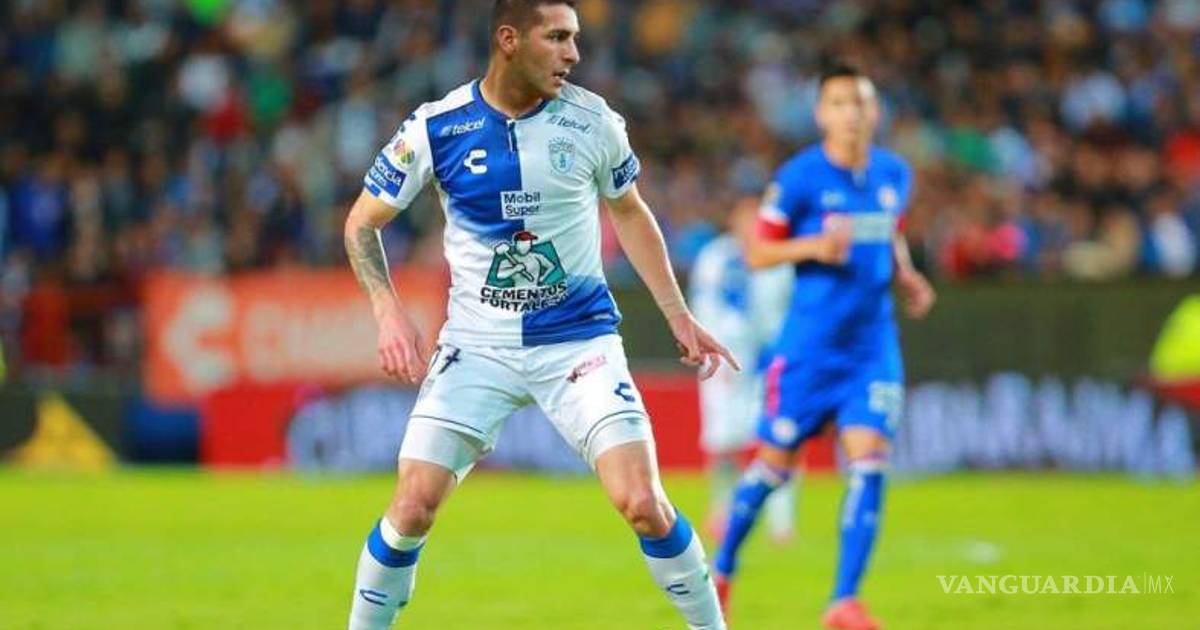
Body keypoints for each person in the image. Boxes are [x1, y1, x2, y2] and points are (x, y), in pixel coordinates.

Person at [342, 2, 736, 628]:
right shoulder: (436, 127)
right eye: (556, 38)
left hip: (580, 343)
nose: (573, 54)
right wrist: (387, 311)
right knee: (413, 505)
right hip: (478, 347)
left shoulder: (592, 121)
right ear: (509, 40)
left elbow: (629, 210)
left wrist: (677, 314)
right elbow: (362, 224)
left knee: (643, 502)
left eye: (573, 38)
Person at [712, 63, 936, 630]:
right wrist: (812, 246)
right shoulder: (799, 178)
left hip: (871, 347)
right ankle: (722, 569)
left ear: (875, 112)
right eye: (839, 103)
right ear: (821, 115)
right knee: (773, 467)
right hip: (809, 350)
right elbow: (758, 253)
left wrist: (906, 274)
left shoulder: (894, 173)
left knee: (870, 460)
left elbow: (890, 232)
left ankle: (844, 601)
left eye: (860, 102)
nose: (851, 113)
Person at [688, 197, 796, 545]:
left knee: (779, 436)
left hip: (770, 360)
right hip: (725, 359)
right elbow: (702, 305)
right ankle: (721, 510)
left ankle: (781, 521)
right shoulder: (715, 257)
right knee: (723, 440)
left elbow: (790, 310)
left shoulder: (779, 259)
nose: (751, 225)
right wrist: (711, 347)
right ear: (733, 220)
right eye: (745, 217)